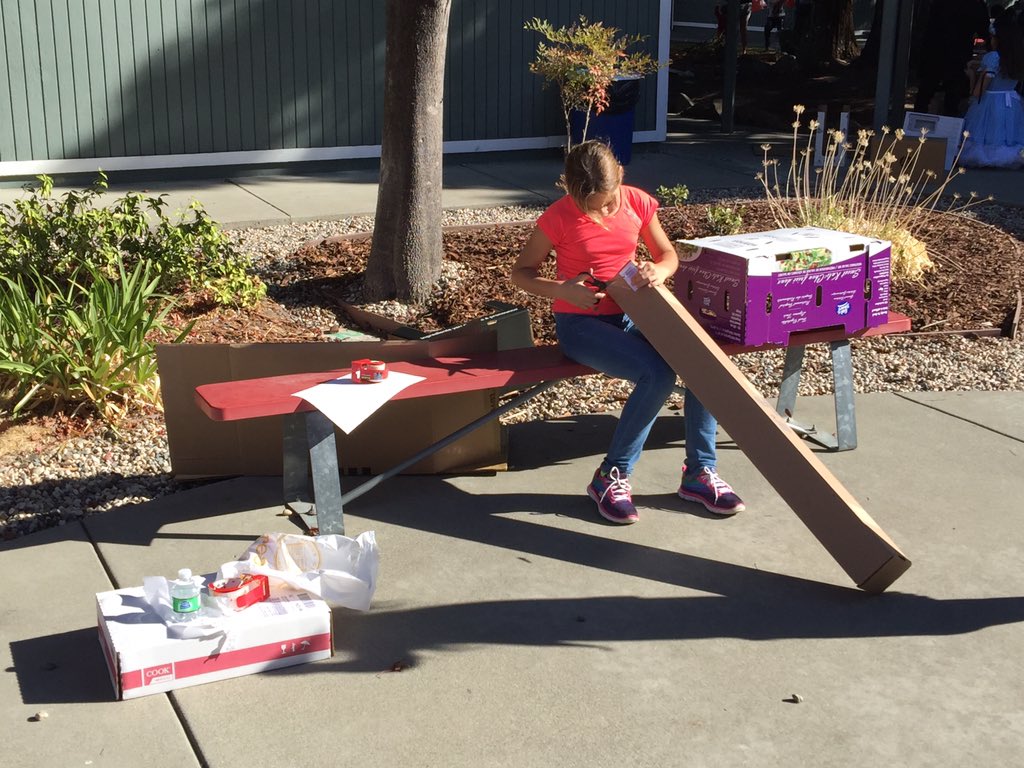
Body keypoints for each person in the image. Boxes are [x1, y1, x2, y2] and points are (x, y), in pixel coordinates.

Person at [511, 141, 746, 525]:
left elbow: (667, 255)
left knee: (700, 358)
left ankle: (699, 474)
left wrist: (661, 271)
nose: (604, 211)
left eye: (608, 201)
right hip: (581, 325)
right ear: (571, 190)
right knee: (657, 374)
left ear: (620, 175)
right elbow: (520, 273)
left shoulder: (637, 202)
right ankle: (610, 477)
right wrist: (562, 289)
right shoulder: (557, 217)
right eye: (593, 205)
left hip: (636, 313)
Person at [959, 14, 1024, 167]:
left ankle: (987, 158)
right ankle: (1010, 158)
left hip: (990, 102)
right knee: (1008, 132)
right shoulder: (1017, 58)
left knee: (988, 132)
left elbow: (978, 92)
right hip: (1012, 102)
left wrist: (971, 76)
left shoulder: (993, 57)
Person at [913, 0, 991, 116]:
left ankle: (917, 119)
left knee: (926, 89)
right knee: (953, 93)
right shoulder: (974, 4)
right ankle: (950, 122)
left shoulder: (940, 4)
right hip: (958, 53)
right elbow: (984, 29)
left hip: (934, 50)